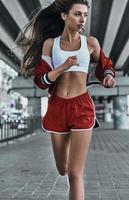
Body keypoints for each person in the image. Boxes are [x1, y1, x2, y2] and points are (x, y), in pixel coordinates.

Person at [16, 0, 116, 199]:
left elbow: (105, 65)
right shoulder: (50, 44)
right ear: (64, 16)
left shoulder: (90, 43)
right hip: (57, 108)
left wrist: (108, 76)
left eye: (85, 15)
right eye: (77, 14)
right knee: (63, 168)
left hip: (82, 108)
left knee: (74, 173)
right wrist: (62, 67)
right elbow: (41, 81)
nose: (82, 20)